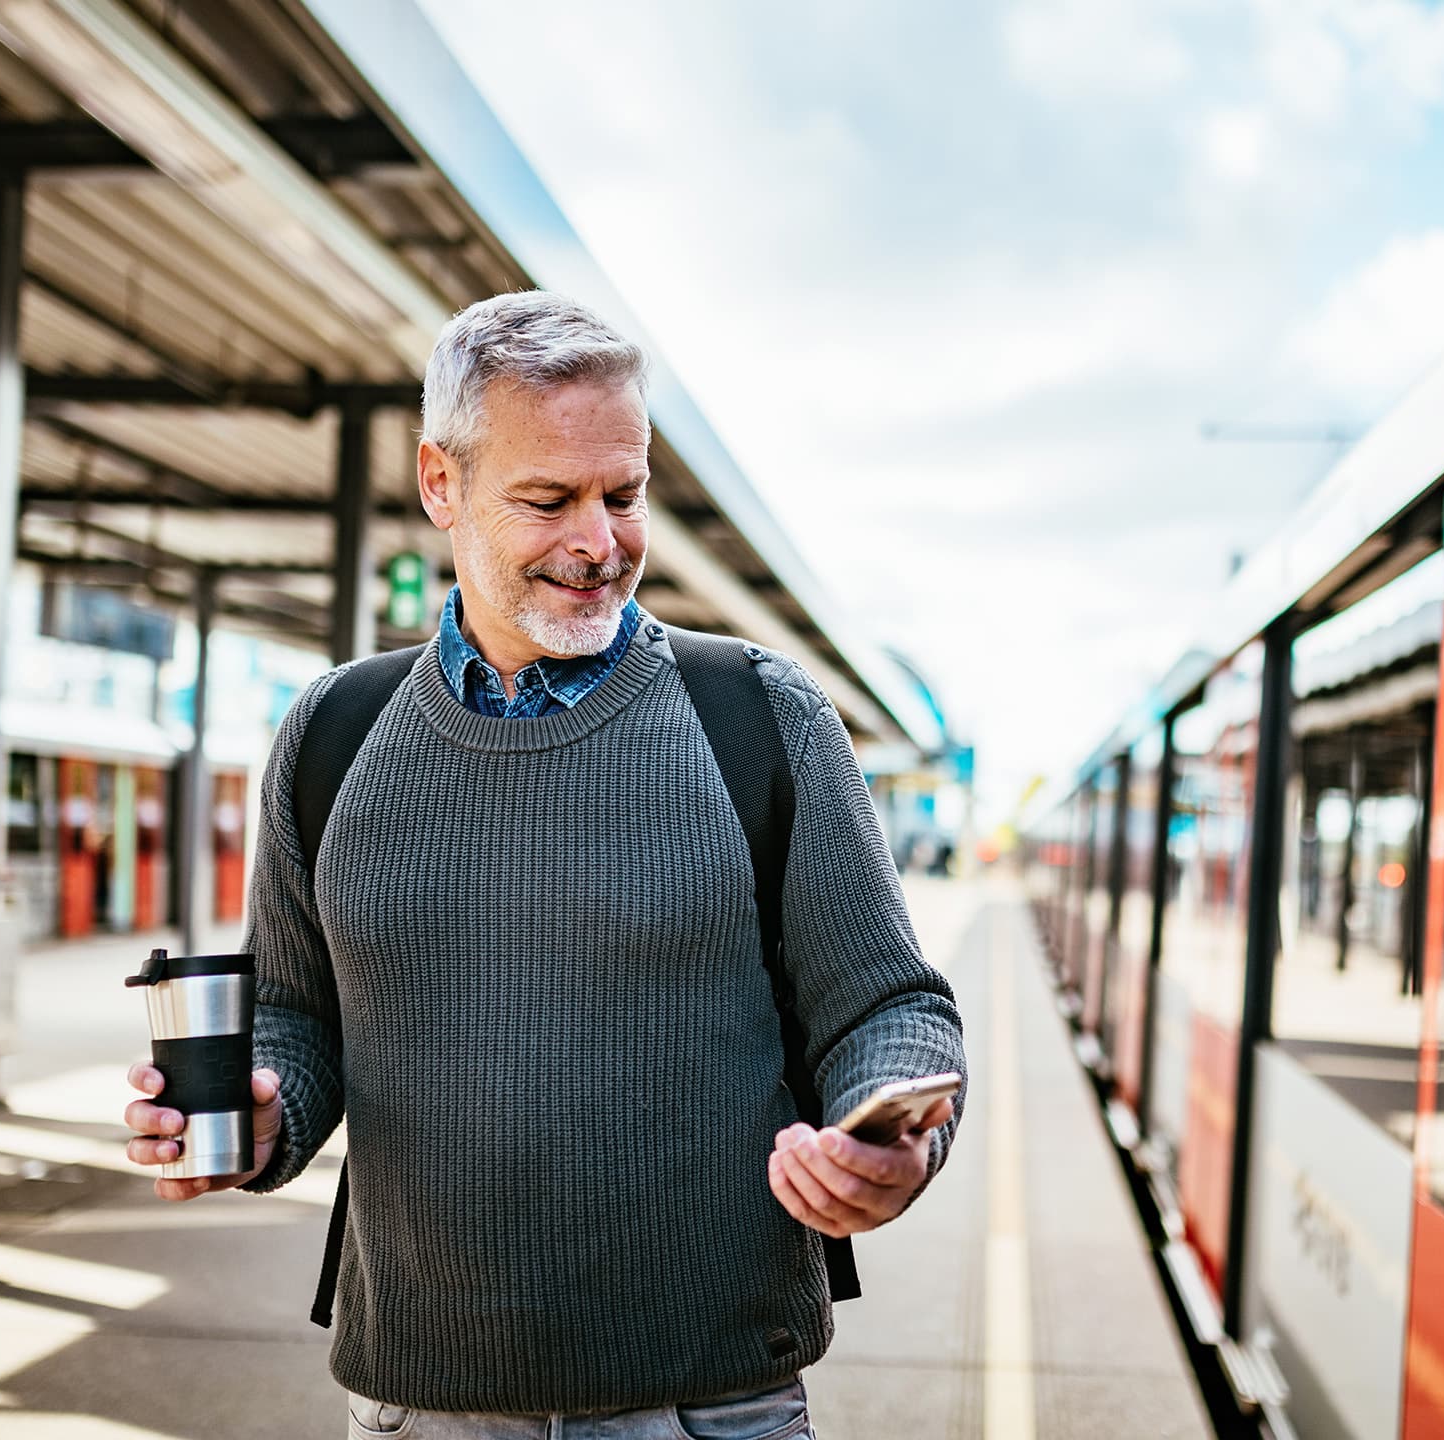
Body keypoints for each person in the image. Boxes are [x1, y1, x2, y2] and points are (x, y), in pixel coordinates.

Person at [122, 291, 966, 1439]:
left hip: (709, 1409)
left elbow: (888, 1004)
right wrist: (262, 1121)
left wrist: (895, 1131)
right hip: (417, 1407)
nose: (598, 540)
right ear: (441, 485)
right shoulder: (331, 735)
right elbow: (291, 1017)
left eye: (623, 495)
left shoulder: (761, 718)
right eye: (548, 499)